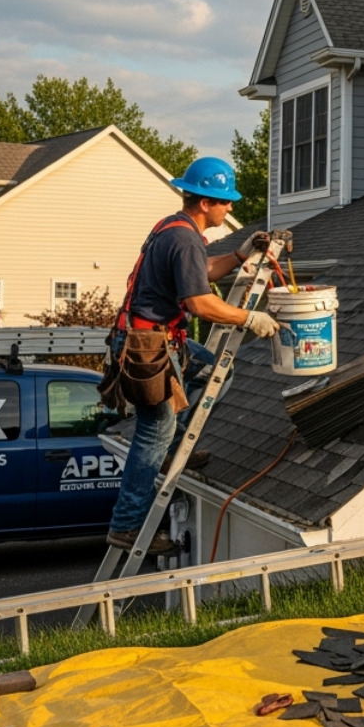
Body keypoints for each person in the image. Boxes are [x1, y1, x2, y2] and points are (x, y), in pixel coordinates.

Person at [105, 157, 288, 553]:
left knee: (215, 372)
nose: (230, 207)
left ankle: (173, 451)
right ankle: (127, 525)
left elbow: (200, 272)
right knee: (154, 431)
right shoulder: (184, 238)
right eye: (225, 201)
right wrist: (250, 318)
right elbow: (200, 302)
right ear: (205, 203)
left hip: (153, 340)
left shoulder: (174, 228)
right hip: (148, 347)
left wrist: (239, 255)